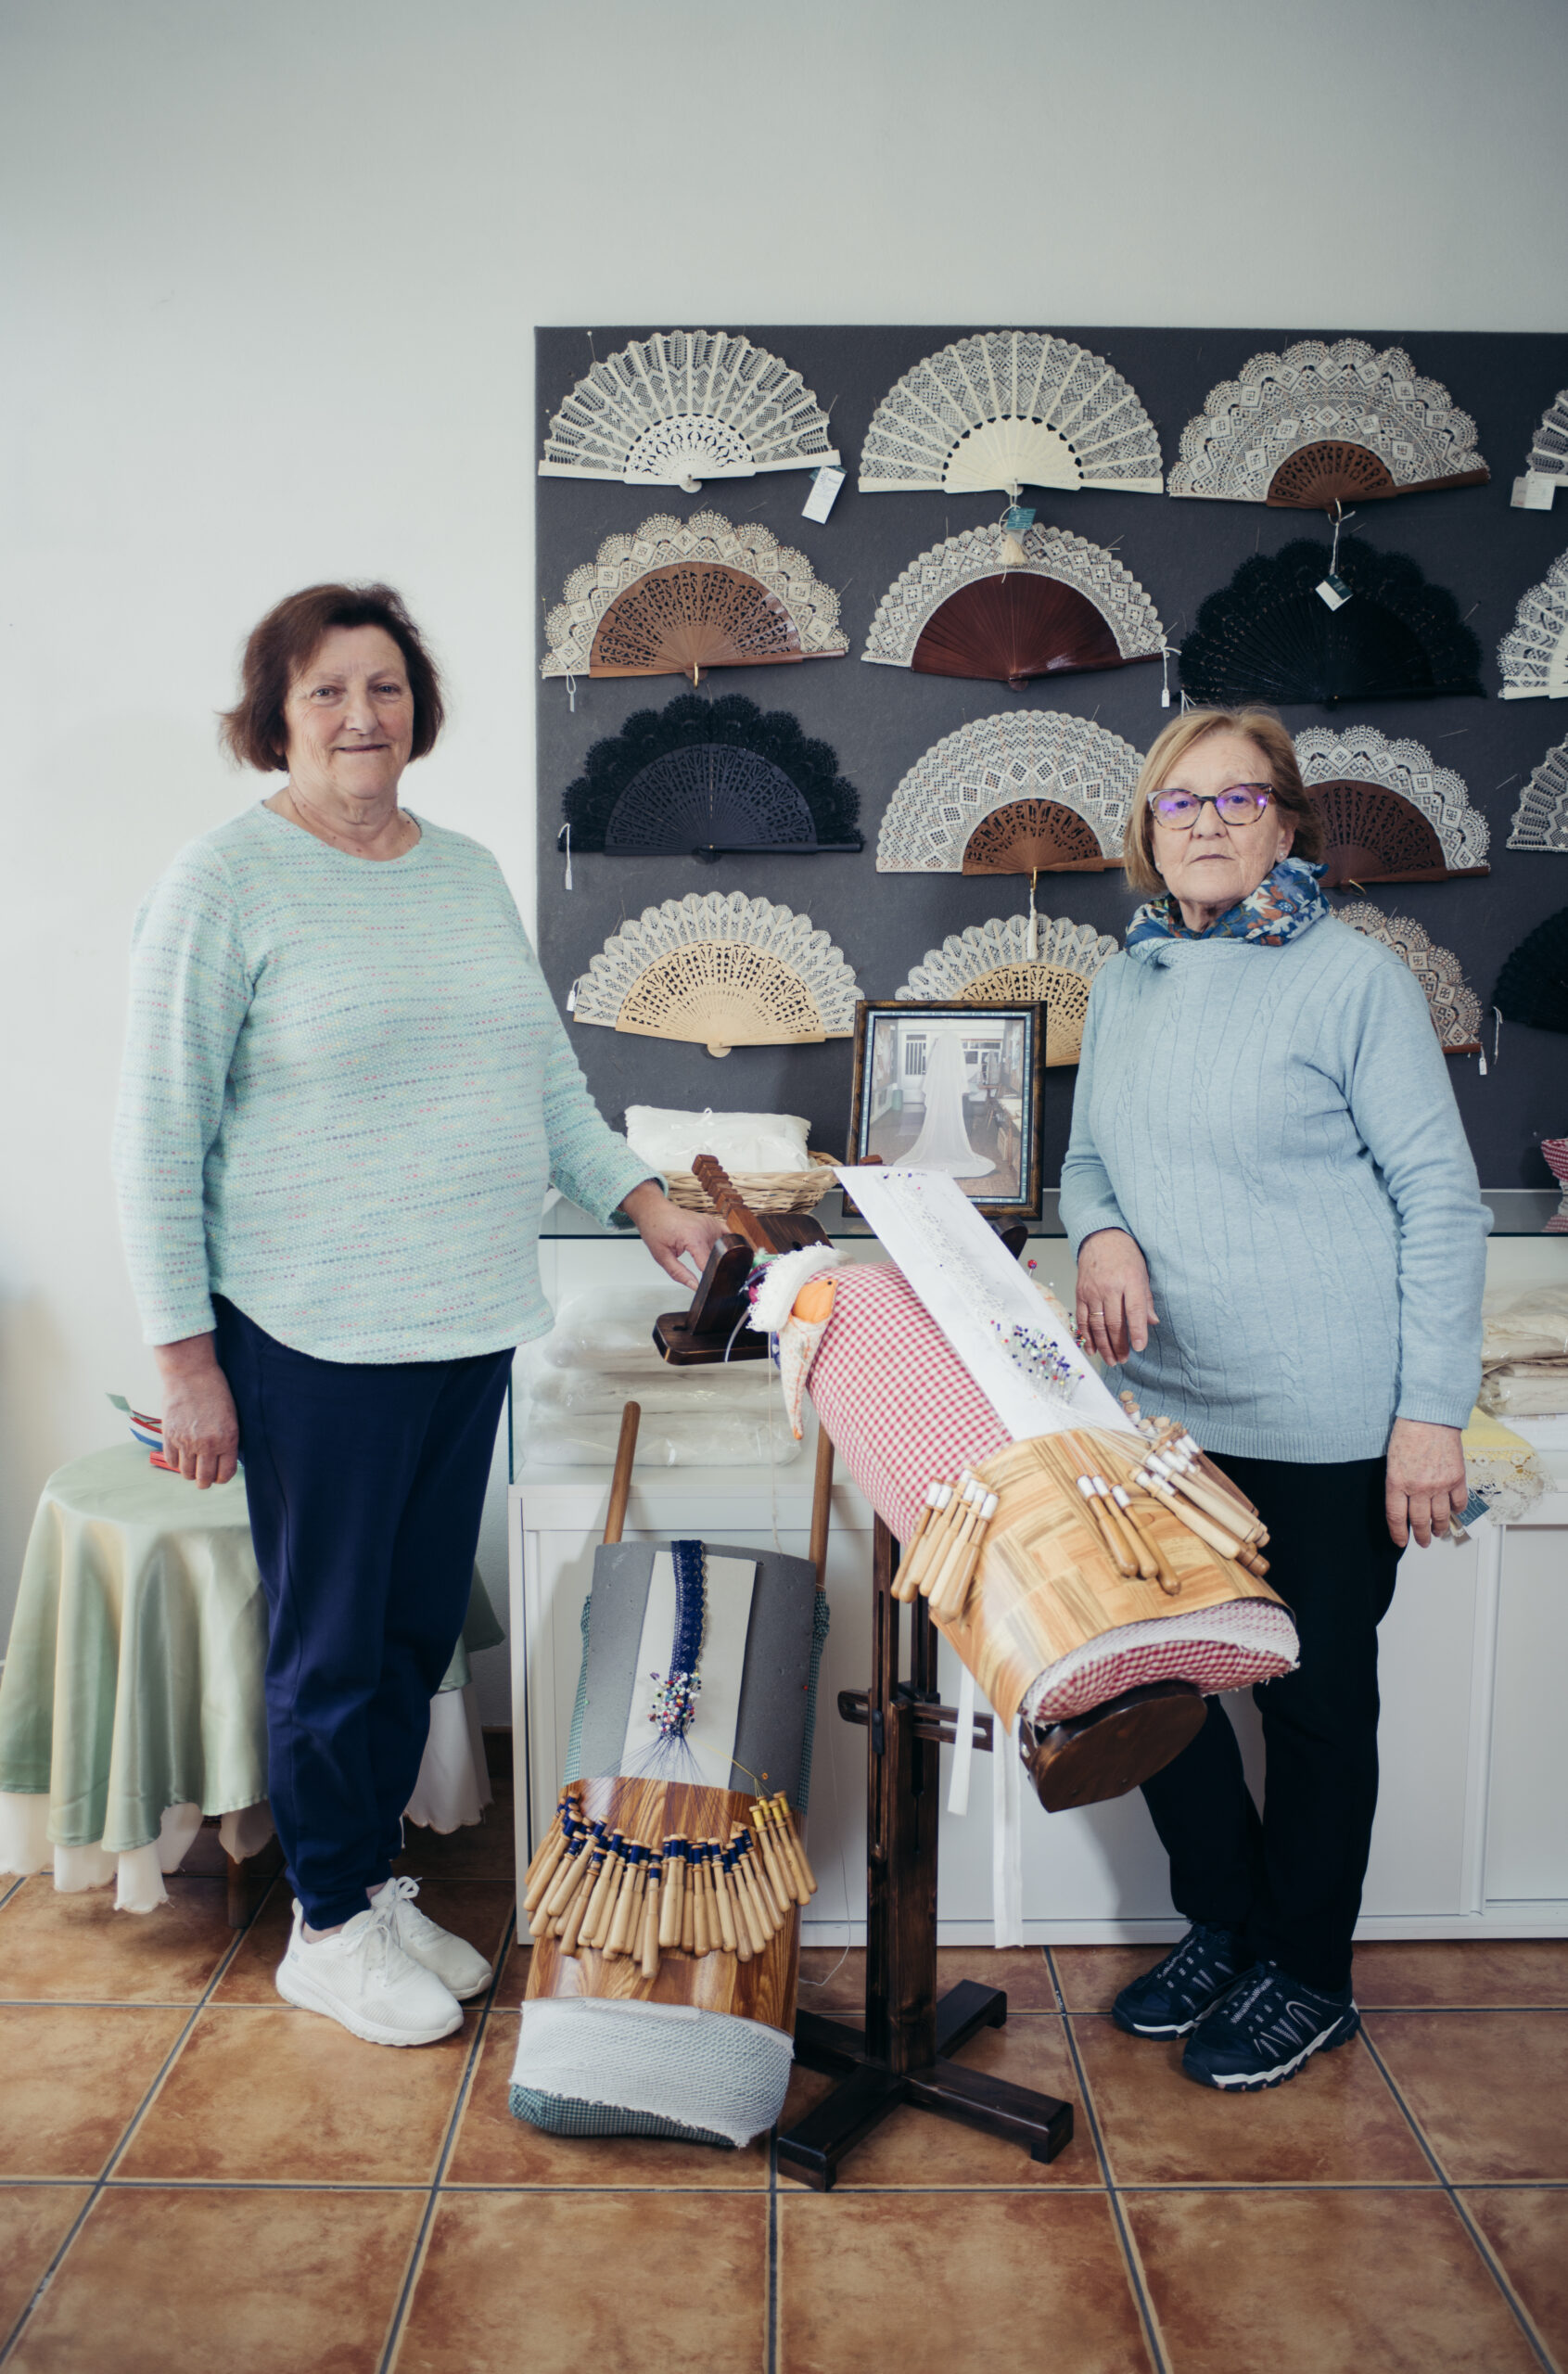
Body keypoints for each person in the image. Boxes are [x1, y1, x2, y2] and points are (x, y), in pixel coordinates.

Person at [112, 582, 724, 2049]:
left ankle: (368, 1884)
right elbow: (155, 1137)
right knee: (329, 1648)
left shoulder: (461, 874)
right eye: (325, 691)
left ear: (417, 709)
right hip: (309, 1333)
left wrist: (644, 1201)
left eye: (383, 687)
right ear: (276, 716)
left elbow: (546, 1085)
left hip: (462, 1324)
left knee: (403, 1640)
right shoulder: (225, 882)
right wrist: (185, 1360)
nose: (359, 716)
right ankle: (325, 1927)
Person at [1060, 705, 1487, 2092]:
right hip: (1166, 1416)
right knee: (1160, 1686)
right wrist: (1104, 1234)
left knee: (1312, 1709)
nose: (1209, 824)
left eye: (1240, 801)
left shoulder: (1350, 978)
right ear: (1148, 828)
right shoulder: (1128, 981)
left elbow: (1442, 1201)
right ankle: (1225, 1924)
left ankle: (1309, 1973)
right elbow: (1089, 1165)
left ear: (1289, 824)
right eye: (1181, 804)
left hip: (1324, 1414)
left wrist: (1429, 1416)